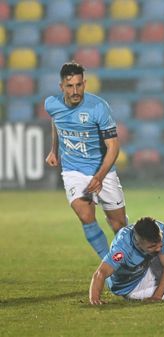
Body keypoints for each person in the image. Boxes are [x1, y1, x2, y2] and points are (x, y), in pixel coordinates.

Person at [45, 61, 127, 259]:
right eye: (70, 86)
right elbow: (56, 121)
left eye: (79, 85)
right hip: (73, 170)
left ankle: (134, 261)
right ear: (61, 87)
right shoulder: (51, 104)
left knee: (119, 225)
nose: (75, 91)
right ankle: (111, 266)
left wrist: (99, 177)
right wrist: (53, 150)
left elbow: (113, 147)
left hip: (103, 171)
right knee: (86, 215)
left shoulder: (98, 107)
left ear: (85, 83)